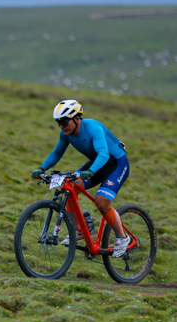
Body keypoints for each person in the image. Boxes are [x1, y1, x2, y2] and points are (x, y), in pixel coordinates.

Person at [31, 99, 132, 257]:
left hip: (116, 164)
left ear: (77, 118)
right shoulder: (66, 134)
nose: (61, 126)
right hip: (96, 165)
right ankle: (79, 228)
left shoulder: (93, 128)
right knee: (70, 186)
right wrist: (42, 168)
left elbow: (104, 154)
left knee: (102, 202)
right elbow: (57, 153)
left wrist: (90, 170)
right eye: (59, 123)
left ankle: (122, 238)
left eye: (64, 122)